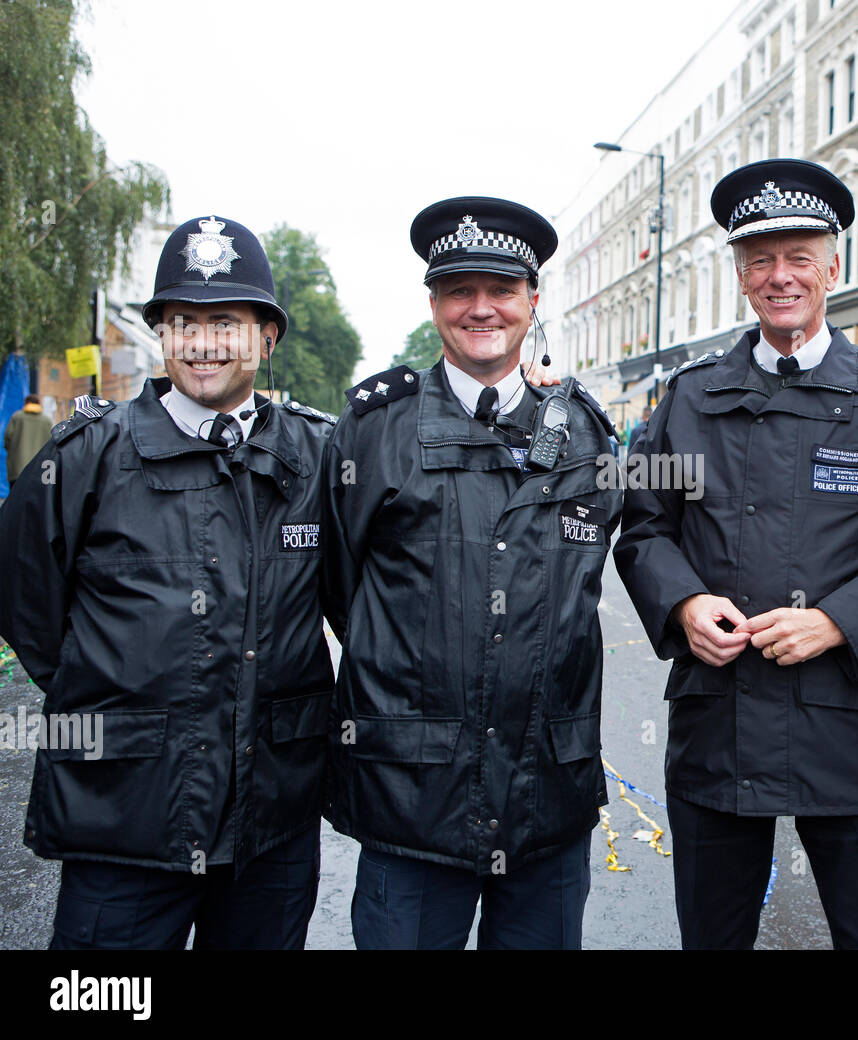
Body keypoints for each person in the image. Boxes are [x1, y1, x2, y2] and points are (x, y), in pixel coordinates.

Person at [614, 158, 858, 950]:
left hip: (849, 720)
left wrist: (837, 621)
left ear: (834, 266)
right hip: (719, 721)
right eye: (760, 260)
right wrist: (684, 601)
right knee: (713, 936)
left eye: (800, 256)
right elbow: (643, 527)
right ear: (739, 275)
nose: (780, 276)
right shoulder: (688, 398)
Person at [0, 216, 336, 949]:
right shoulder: (88, 454)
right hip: (123, 817)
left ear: (267, 337)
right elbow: (25, 599)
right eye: (183, 321)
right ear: (161, 335)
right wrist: (114, 698)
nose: (203, 341)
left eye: (226, 322)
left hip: (269, 822)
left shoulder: (318, 456)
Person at [320, 197, 622, 950]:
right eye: (460, 290)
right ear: (433, 305)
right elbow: (338, 587)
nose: (481, 308)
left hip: (546, 796)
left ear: (532, 302)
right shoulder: (374, 429)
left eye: (502, 290)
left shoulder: (586, 433)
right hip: (411, 800)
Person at [4, 394, 53, 484]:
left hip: (17, 468)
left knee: (16, 495)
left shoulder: (17, 417)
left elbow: (7, 438)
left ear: (26, 403)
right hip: (40, 469)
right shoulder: (46, 421)